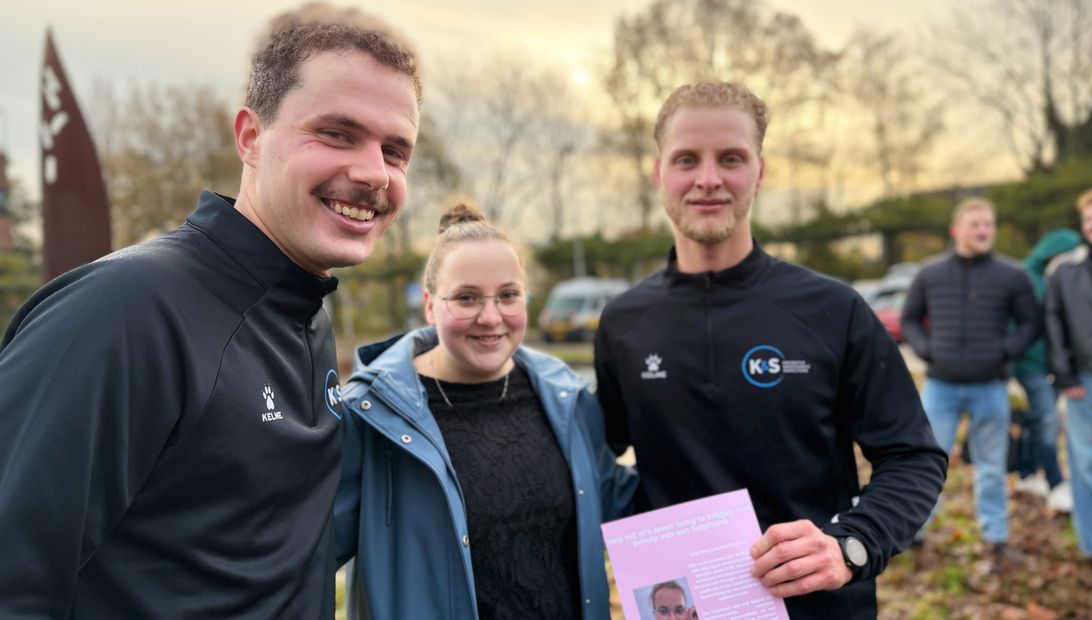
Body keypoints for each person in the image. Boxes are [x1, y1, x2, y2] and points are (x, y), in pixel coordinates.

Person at [0, 22, 420, 618]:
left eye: (394, 151)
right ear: (250, 137)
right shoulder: (127, 310)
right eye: (335, 133)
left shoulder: (305, 313)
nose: (375, 172)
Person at [594, 81, 946, 620]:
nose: (708, 179)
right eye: (687, 159)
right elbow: (592, 458)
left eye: (730, 158)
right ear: (657, 172)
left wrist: (850, 545)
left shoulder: (835, 309)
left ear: (760, 170)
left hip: (821, 610)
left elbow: (914, 457)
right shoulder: (623, 324)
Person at [334, 203, 637, 620]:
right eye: (466, 298)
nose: (491, 317)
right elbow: (299, 559)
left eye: (508, 295)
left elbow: (625, 506)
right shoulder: (371, 419)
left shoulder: (566, 399)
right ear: (429, 305)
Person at [901, 198, 1039, 562]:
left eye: (988, 225)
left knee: (992, 467)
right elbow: (910, 318)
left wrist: (1003, 351)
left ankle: (997, 539)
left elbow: (1030, 323)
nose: (982, 231)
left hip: (991, 387)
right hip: (940, 387)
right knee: (927, 462)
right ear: (956, 230)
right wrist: (927, 349)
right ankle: (914, 533)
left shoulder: (1012, 275)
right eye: (975, 225)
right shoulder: (930, 273)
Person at [1045, 185, 1092, 566]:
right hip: (1088, 382)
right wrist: (1065, 378)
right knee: (1089, 464)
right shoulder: (1063, 270)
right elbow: (1053, 325)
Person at [1012, 228, 1081, 511]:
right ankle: (1056, 482)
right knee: (1049, 420)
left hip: (1055, 363)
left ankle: (1027, 473)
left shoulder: (1063, 277)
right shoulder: (1027, 278)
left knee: (1037, 420)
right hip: (1031, 363)